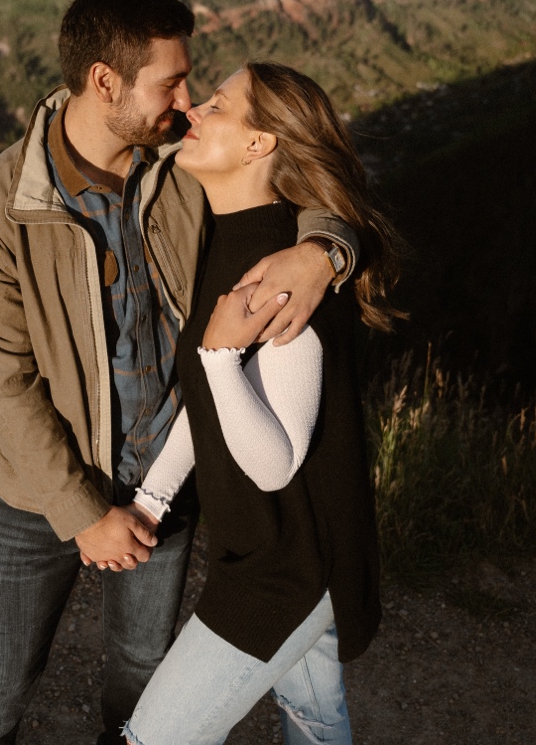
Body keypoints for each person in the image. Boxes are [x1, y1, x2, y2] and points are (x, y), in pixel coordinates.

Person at [0, 0, 362, 745]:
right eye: (171, 81)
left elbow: (291, 169)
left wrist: (324, 250)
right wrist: (81, 515)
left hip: (157, 488)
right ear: (106, 81)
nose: (186, 101)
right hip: (32, 494)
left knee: (143, 677)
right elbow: (2, 383)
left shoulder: (182, 164)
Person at [116, 61, 403, 745]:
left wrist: (216, 358)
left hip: (292, 570)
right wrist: (152, 500)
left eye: (218, 105)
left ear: (259, 145)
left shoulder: (278, 268)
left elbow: (273, 464)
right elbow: (219, 409)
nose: (195, 111)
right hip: (273, 553)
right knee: (312, 721)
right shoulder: (237, 236)